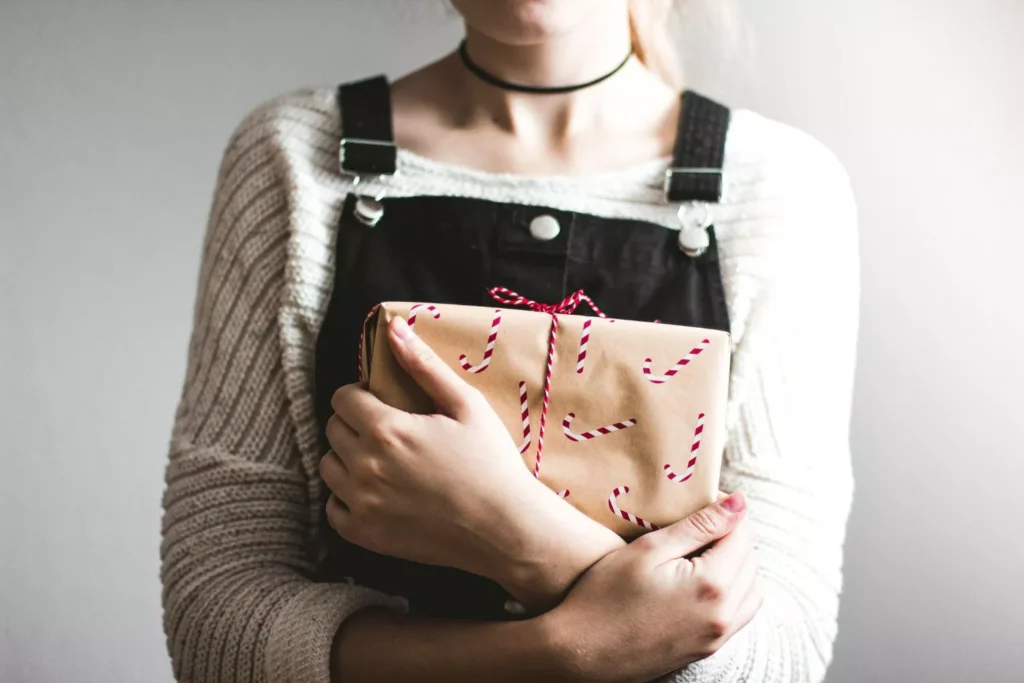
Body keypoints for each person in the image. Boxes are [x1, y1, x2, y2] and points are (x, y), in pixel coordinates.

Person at [160, 1, 859, 681]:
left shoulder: (778, 187)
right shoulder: (295, 156)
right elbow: (214, 629)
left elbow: (783, 654)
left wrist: (514, 529)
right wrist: (564, 650)